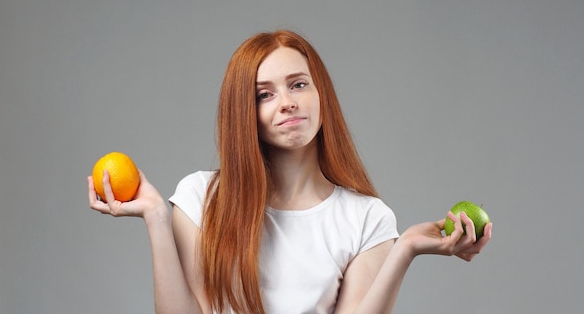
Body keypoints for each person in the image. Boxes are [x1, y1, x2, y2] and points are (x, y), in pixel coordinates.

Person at [88, 29, 492, 314]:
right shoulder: (199, 197)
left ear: (322, 95)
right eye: (264, 94)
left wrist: (404, 250)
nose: (286, 102)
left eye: (298, 85)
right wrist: (157, 218)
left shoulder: (367, 218)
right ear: (243, 113)